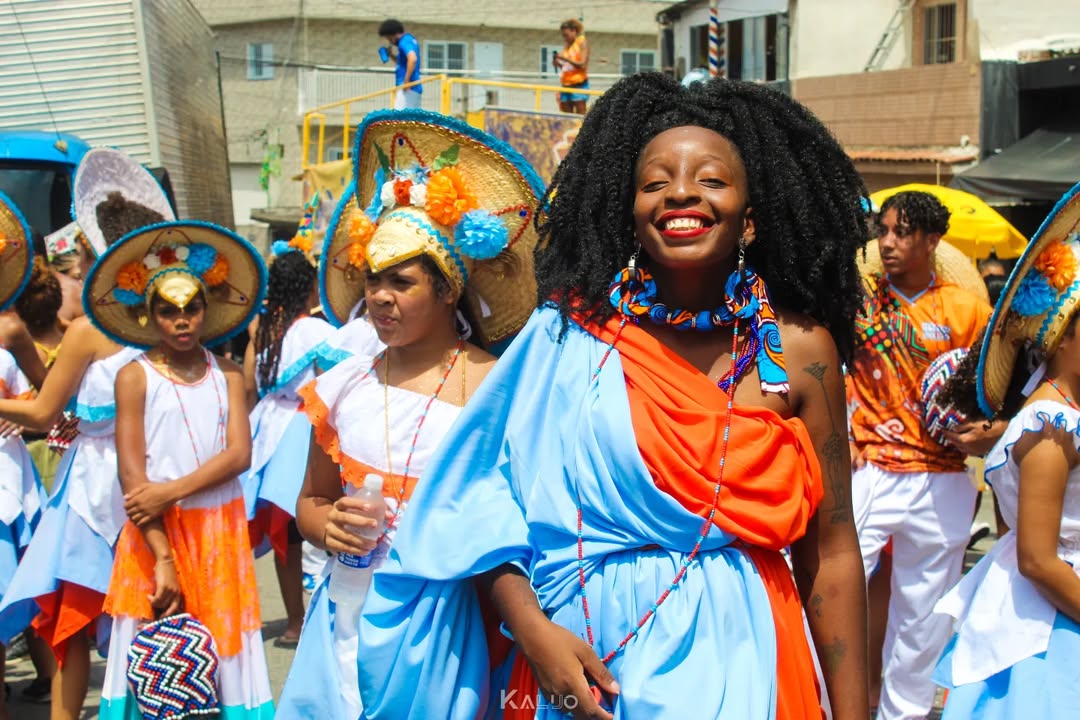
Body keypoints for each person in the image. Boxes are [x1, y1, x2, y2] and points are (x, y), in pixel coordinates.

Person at [355, 74, 869, 720]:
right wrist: (532, 634)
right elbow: (479, 507)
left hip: (754, 665)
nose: (682, 192)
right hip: (586, 668)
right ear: (625, 209)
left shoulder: (802, 351)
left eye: (710, 178)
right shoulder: (566, 336)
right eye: (656, 182)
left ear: (752, 213)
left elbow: (835, 548)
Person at [275, 108, 542, 719]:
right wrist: (327, 526)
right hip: (344, 613)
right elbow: (310, 501)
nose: (379, 297)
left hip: (446, 624)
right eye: (373, 280)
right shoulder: (344, 384)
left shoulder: (493, 388)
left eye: (401, 281)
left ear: (448, 288)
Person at [0, 148, 173, 720]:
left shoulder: (89, 331)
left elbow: (47, 411)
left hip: (96, 487)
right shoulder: (174, 324)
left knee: (73, 630)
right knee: (159, 621)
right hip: (163, 477)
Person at [82, 214, 274, 719]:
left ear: (207, 312)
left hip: (218, 529)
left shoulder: (229, 375)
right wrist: (162, 554)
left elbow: (239, 455)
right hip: (155, 536)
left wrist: (170, 491)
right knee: (156, 659)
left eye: (191, 309)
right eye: (168, 311)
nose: (182, 320)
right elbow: (132, 478)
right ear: (150, 317)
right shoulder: (134, 376)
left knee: (224, 652)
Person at [848, 190, 1002, 720]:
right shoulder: (855, 300)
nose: (887, 243)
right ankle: (820, 704)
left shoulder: (969, 310)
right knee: (834, 592)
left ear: (933, 241)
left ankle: (905, 714)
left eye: (902, 232)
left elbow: (995, 389)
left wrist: (988, 433)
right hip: (869, 470)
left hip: (944, 478)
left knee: (924, 616)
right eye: (883, 230)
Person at [931, 181, 1080, 718]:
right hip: (1053, 622)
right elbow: (1039, 560)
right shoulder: (1051, 425)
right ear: (1062, 336)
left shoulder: (1056, 413)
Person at [241, 236, 335, 648]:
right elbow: (336, 379)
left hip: (268, 427)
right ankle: (320, 617)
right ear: (308, 288)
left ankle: (295, 620)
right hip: (304, 426)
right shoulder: (314, 328)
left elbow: (249, 384)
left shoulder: (263, 329)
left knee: (286, 536)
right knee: (313, 518)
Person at [0, 191, 51, 719]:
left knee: (18, 593)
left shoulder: (10, 328)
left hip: (6, 478)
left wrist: (14, 409)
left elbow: (48, 392)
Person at [14, 257, 66, 490]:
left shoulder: (18, 343)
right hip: (70, 445)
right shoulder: (74, 337)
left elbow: (49, 408)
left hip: (33, 451)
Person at [379, 19, 422, 110]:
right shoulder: (409, 39)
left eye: (388, 37)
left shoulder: (404, 42)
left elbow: (412, 59)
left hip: (408, 87)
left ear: (392, 34)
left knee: (400, 119)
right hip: (412, 87)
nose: (389, 41)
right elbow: (404, 63)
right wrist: (391, 55)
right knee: (407, 119)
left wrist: (406, 82)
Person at [555, 18, 589, 114]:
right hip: (566, 85)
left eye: (566, 35)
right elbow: (568, 67)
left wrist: (565, 58)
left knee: (580, 116)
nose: (565, 38)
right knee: (567, 118)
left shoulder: (581, 42)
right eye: (563, 36)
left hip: (578, 85)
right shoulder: (567, 45)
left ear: (573, 31)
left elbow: (582, 64)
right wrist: (558, 64)